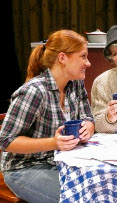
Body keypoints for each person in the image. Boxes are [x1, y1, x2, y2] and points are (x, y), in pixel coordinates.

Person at [0, 29, 95, 203]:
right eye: (83, 56)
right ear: (62, 58)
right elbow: (6, 141)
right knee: (77, 199)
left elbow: (89, 118)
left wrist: (87, 128)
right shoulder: (35, 92)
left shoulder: (76, 85)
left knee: (97, 189)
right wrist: (53, 143)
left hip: (61, 162)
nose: (88, 63)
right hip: (25, 168)